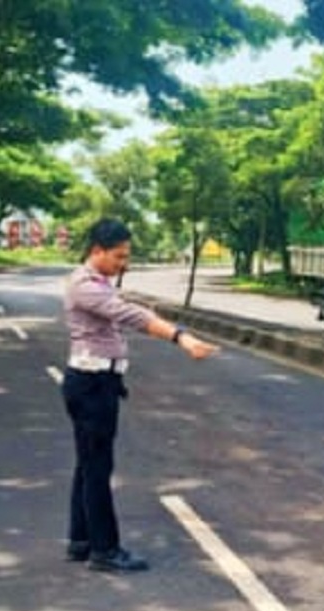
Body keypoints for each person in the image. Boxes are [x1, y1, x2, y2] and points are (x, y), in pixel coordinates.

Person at [61, 218, 219, 572]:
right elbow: (130, 314)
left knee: (87, 464)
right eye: (119, 256)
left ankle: (81, 540)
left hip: (96, 382)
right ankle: (105, 550)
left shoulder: (97, 283)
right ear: (97, 251)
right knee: (97, 468)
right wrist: (181, 337)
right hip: (91, 384)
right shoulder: (85, 286)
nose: (124, 264)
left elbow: (127, 310)